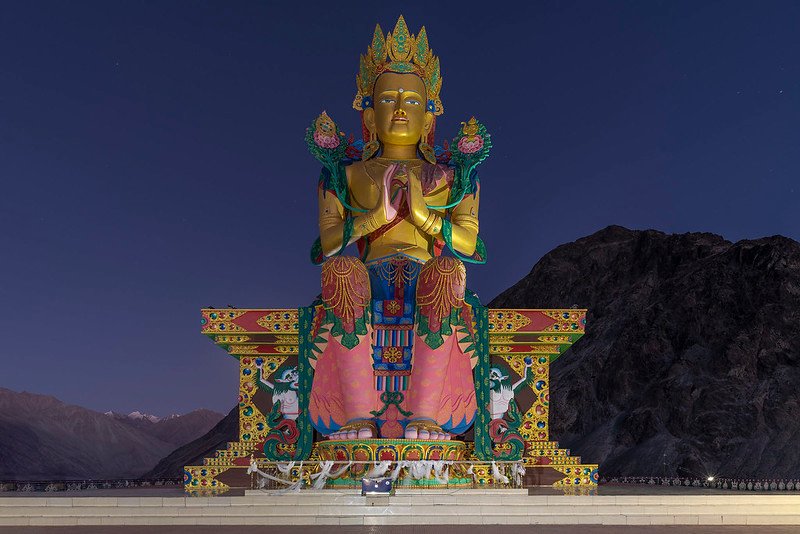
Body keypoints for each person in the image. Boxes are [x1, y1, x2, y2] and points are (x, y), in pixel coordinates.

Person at [307, 16, 486, 441]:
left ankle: (425, 415)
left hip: (430, 278)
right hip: (367, 279)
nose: (401, 109)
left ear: (429, 117)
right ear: (369, 116)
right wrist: (373, 219)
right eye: (388, 100)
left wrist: (424, 216)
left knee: (448, 272)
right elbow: (325, 247)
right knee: (340, 272)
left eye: (412, 100)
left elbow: (471, 243)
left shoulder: (451, 176)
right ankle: (357, 417)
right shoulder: (345, 175)